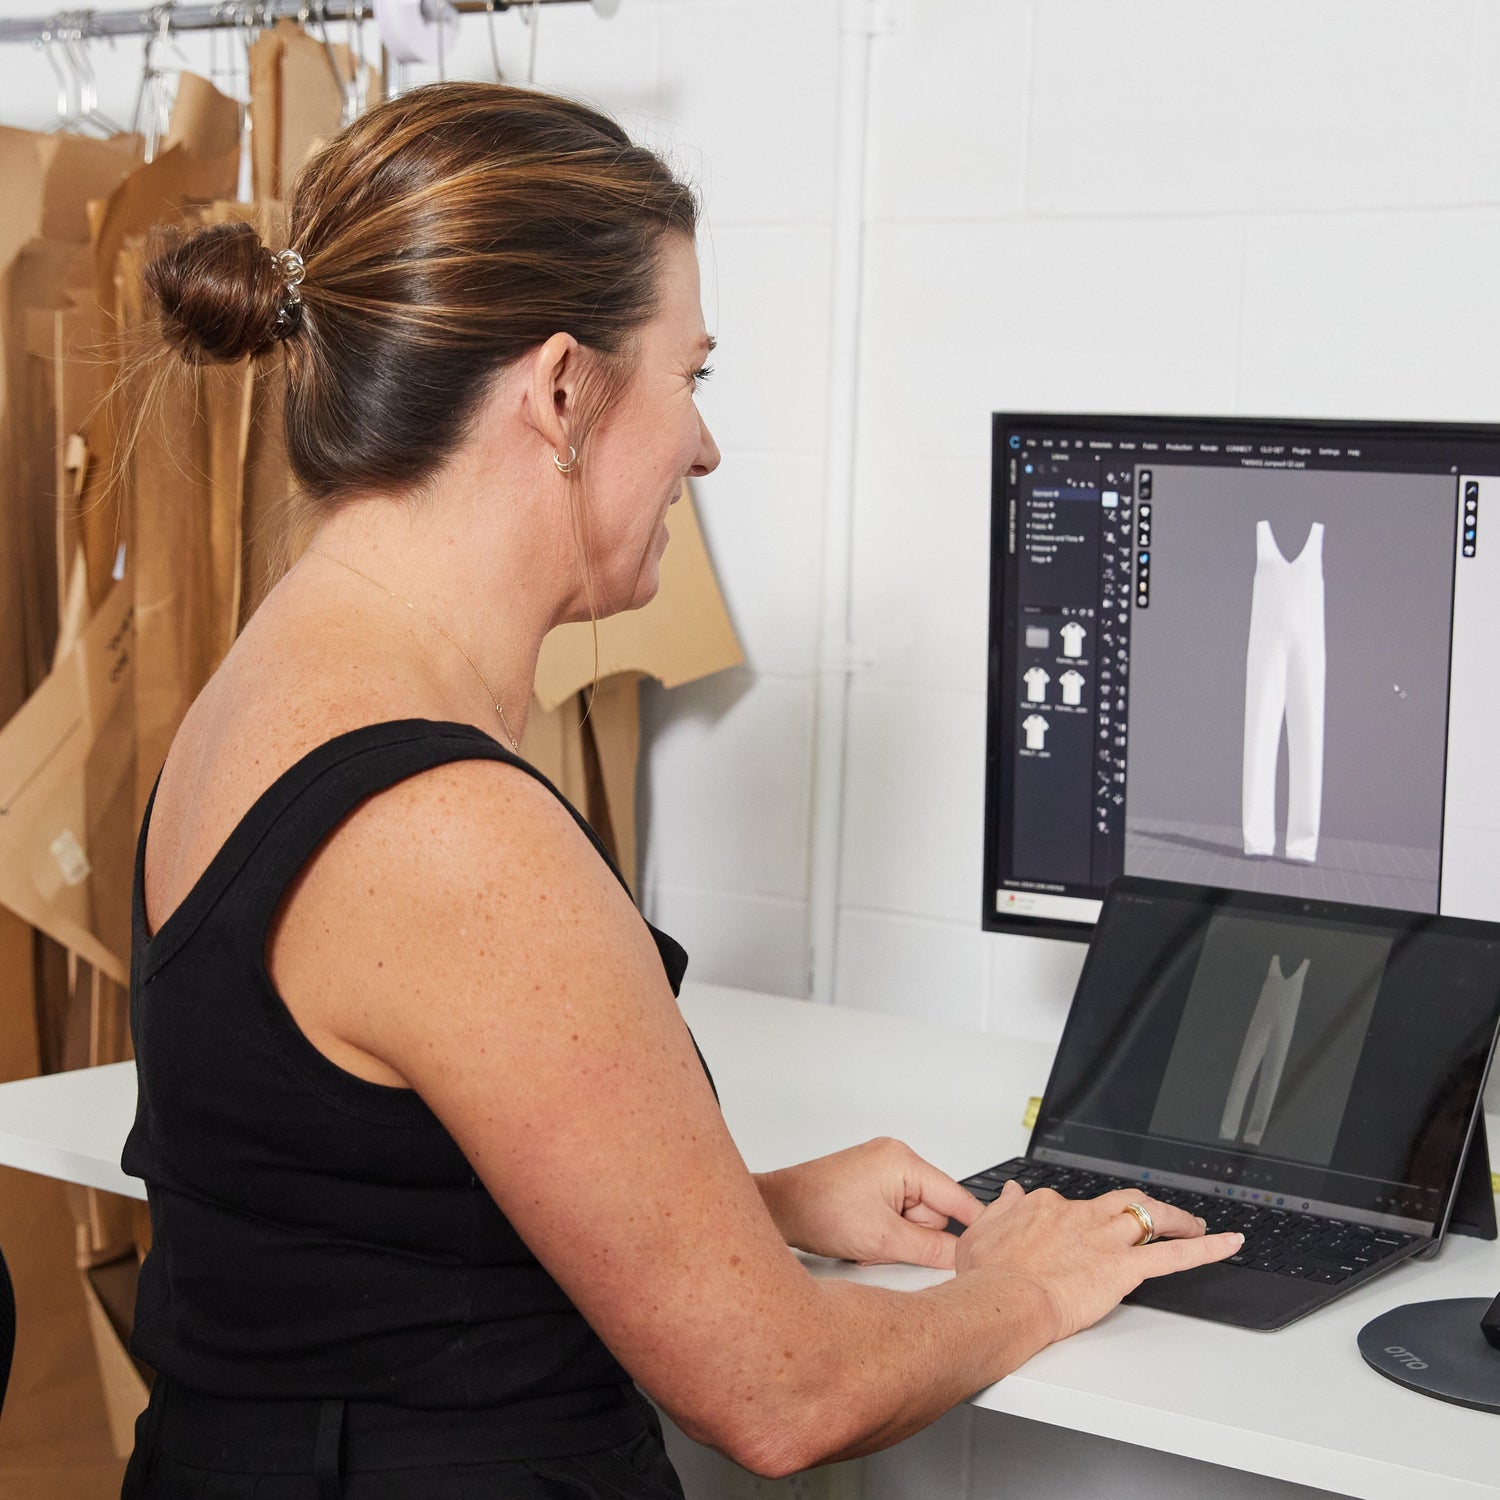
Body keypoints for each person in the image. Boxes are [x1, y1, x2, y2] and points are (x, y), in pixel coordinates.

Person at [119, 81, 1240, 1500]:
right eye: (692, 376)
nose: (703, 448)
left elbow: (353, 1224)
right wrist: (1023, 1277)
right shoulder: (447, 827)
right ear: (565, 389)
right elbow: (784, 1399)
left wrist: (743, 1216)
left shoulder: (261, 692)